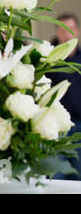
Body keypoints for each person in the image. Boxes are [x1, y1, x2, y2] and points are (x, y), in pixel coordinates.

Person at [48, 13, 81, 180]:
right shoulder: (48, 59)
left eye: (71, 29)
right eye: (63, 30)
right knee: (55, 176)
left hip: (80, 126)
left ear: (77, 31)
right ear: (57, 32)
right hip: (57, 128)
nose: (67, 34)